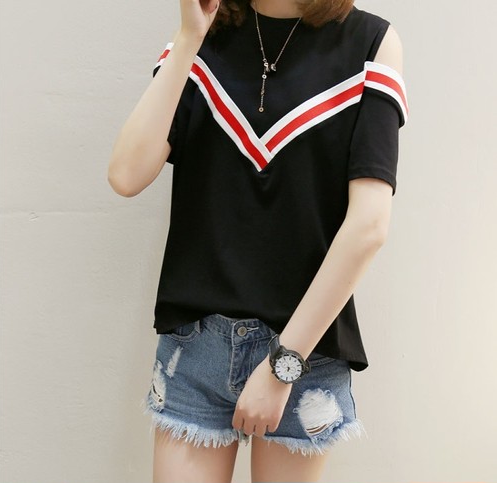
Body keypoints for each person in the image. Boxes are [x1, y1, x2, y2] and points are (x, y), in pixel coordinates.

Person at [107, 0, 408, 481]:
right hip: (196, 346)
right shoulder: (203, 37)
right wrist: (187, 38)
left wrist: (285, 362)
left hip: (305, 353)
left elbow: (369, 226)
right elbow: (126, 174)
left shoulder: (370, 42)